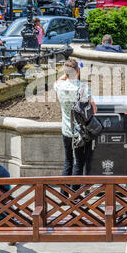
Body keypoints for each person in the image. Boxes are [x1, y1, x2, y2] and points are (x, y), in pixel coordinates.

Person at [54, 58, 97, 192]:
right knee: (79, 162)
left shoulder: (59, 86)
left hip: (66, 130)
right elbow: (93, 109)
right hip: (80, 132)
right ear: (78, 72)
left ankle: (64, 193)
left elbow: (59, 80)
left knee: (68, 161)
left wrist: (67, 73)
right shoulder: (83, 87)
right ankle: (74, 194)